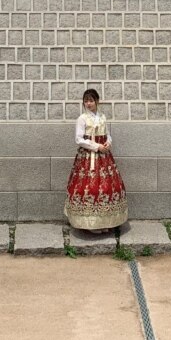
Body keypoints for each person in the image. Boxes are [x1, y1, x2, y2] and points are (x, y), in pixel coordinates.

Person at [65, 88, 128, 232]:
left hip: (104, 157)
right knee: (88, 187)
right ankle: (90, 223)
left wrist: (108, 143)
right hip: (88, 157)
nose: (88, 103)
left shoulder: (102, 117)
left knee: (107, 187)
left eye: (91, 100)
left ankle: (105, 221)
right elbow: (79, 139)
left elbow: (108, 135)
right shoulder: (82, 119)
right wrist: (96, 146)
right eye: (86, 101)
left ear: (97, 101)